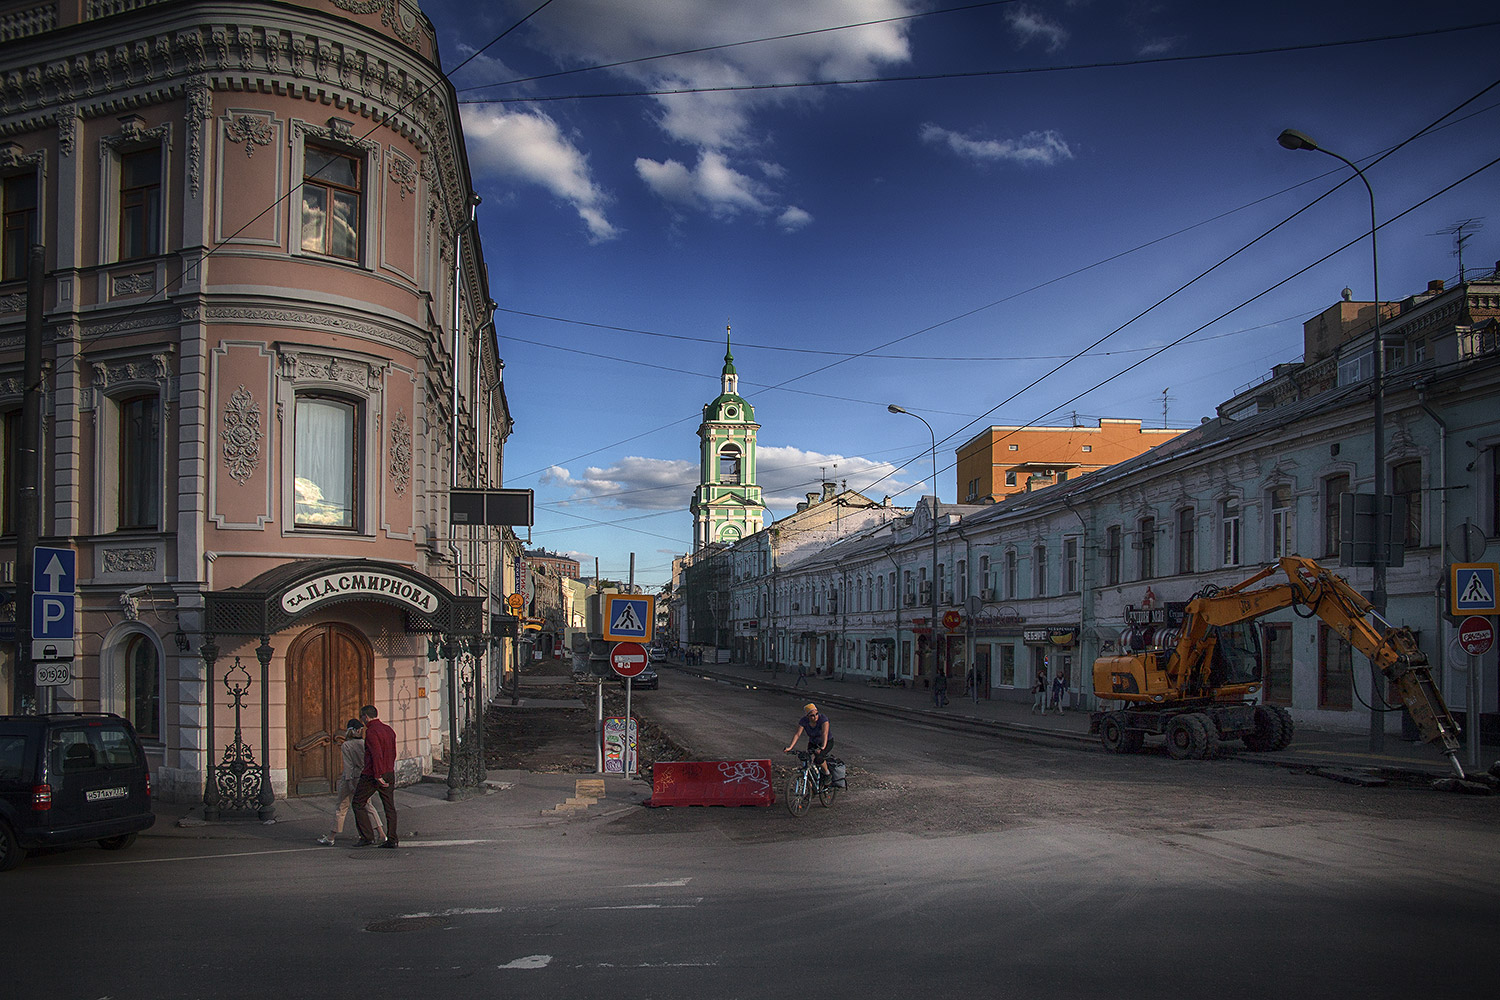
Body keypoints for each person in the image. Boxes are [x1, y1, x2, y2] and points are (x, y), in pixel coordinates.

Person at [318, 719, 385, 847]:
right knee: (367, 805)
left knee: (342, 806)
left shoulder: (346, 745)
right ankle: (381, 833)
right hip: (364, 776)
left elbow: (348, 766)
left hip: (351, 778)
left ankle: (331, 837)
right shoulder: (364, 743)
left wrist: (349, 782)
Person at [352, 704, 399, 848]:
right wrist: (388, 770)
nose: (362, 720)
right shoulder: (388, 730)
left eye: (362, 717)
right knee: (389, 806)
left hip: (372, 774)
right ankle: (392, 838)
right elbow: (392, 752)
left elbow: (376, 754)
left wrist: (378, 775)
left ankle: (367, 836)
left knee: (358, 802)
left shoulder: (372, 732)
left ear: (366, 716)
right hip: (389, 771)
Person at [784, 702, 832, 785]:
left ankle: (827, 774)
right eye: (812, 715)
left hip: (826, 742)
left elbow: (825, 733)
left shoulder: (823, 719)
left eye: (816, 714)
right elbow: (797, 734)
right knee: (807, 761)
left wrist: (822, 747)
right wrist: (790, 747)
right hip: (813, 742)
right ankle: (812, 787)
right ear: (807, 716)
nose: (815, 717)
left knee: (818, 758)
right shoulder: (804, 721)